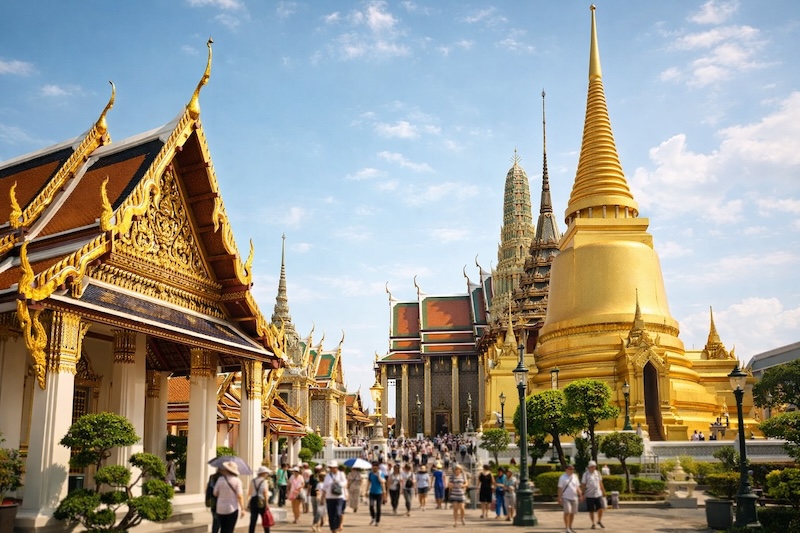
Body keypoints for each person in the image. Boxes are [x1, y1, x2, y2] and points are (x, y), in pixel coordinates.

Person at [213, 461, 245, 533]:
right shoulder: (237, 481)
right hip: (232, 508)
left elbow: (215, 493)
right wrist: (243, 508)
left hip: (220, 508)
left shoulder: (220, 479)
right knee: (230, 529)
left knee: (223, 528)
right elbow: (240, 495)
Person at [322, 460, 347, 533]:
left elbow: (345, 482)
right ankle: (333, 529)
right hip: (329, 497)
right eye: (331, 467)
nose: (332, 469)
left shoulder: (341, 474)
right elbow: (324, 487)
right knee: (331, 514)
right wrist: (322, 498)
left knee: (338, 512)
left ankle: (337, 526)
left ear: (336, 467)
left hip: (339, 497)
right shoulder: (328, 476)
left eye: (333, 467)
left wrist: (339, 484)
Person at [581, 461, 606, 529]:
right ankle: (593, 523)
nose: (593, 468)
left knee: (601, 508)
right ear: (589, 467)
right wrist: (582, 493)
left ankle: (599, 520)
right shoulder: (585, 474)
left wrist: (603, 490)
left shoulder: (597, 473)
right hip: (589, 495)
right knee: (591, 510)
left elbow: (600, 482)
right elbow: (583, 484)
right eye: (592, 466)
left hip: (598, 494)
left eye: (594, 466)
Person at [557, 465, 582, 533]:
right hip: (566, 497)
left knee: (572, 513)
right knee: (567, 511)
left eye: (573, 469)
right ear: (566, 469)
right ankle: (567, 527)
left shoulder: (575, 476)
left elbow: (577, 486)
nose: (572, 470)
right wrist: (559, 497)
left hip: (574, 497)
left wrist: (580, 494)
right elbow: (560, 488)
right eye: (570, 469)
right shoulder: (562, 477)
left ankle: (570, 526)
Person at [247, 466, 271, 533]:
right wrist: (266, 503)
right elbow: (265, 492)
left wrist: (249, 502)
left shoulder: (253, 481)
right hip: (261, 501)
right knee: (265, 518)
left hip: (253, 500)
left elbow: (249, 492)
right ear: (263, 473)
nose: (267, 474)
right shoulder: (264, 481)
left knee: (253, 520)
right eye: (266, 473)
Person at [367, 461, 387, 526]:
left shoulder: (381, 473)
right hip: (372, 492)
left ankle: (377, 521)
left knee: (378, 508)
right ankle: (373, 517)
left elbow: (383, 482)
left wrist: (384, 493)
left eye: (375, 467)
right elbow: (369, 482)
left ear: (378, 467)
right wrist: (366, 490)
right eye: (373, 467)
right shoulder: (370, 474)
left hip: (379, 493)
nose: (374, 468)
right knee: (371, 506)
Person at [206, 468, 222, 533]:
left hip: (213, 501)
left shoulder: (212, 477)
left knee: (215, 521)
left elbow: (209, 489)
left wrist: (207, 500)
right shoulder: (223, 478)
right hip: (221, 501)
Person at [310, 465, 323, 532]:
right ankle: (316, 525)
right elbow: (310, 485)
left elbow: (310, 485)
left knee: (317, 512)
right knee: (317, 512)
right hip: (316, 495)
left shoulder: (321, 476)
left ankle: (317, 526)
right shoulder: (314, 476)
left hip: (315, 495)